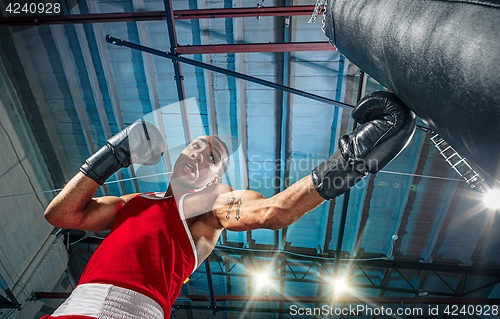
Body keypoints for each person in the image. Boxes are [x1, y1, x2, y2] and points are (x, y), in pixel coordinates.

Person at [42, 91, 416, 319]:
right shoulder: (132, 202)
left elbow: (275, 212)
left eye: (213, 157)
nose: (199, 155)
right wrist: (113, 154)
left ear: (216, 179)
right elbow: (60, 215)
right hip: (74, 304)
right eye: (195, 146)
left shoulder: (211, 206)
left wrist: (352, 162)